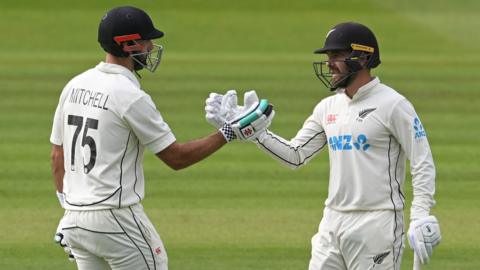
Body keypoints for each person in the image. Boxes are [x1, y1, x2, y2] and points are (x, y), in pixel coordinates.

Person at [49, 6, 272, 270]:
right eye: (146, 41)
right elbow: (176, 158)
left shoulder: (74, 85)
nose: (152, 47)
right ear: (128, 44)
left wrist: (72, 212)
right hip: (116, 218)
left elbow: (57, 155)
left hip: (75, 220)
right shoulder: (130, 96)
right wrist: (229, 132)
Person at [205, 22, 441, 270]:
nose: (329, 64)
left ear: (363, 57)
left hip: (377, 224)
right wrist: (255, 132)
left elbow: (421, 160)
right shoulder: (327, 107)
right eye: (328, 56)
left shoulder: (393, 104)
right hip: (332, 223)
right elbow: (295, 155)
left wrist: (420, 214)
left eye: (337, 55)